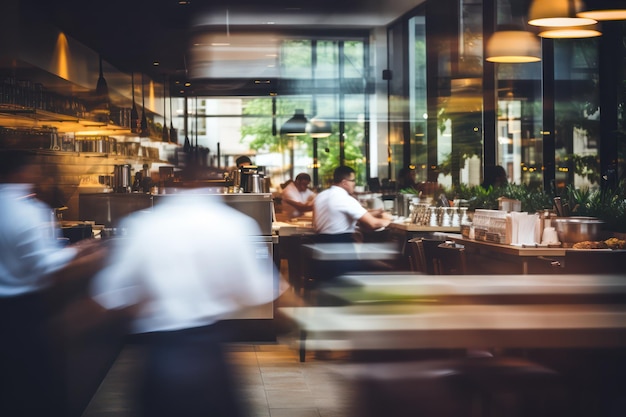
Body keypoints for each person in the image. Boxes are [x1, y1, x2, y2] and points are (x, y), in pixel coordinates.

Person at [90, 191, 287, 417]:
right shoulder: (231, 223)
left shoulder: (144, 225)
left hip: (160, 355)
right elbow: (259, 291)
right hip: (209, 351)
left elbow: (110, 296)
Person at [0, 149, 110, 417]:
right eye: (33, 168)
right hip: (23, 311)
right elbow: (46, 267)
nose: (37, 173)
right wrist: (85, 254)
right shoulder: (29, 211)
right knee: (36, 387)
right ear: (21, 172)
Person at [313, 165, 391, 243]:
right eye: (353, 180)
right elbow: (373, 224)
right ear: (344, 182)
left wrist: (374, 212)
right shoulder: (345, 199)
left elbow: (316, 223)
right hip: (341, 247)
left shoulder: (320, 196)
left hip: (320, 245)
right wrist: (388, 219)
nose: (355, 183)